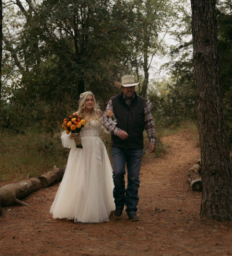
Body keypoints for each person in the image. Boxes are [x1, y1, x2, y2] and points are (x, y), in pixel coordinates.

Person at [50, 91, 115, 223]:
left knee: (95, 176)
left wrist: (111, 117)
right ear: (83, 102)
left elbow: (108, 129)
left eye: (92, 100)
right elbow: (67, 134)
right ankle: (76, 209)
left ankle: (95, 209)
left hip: (96, 147)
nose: (90, 102)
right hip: (81, 148)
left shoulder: (98, 113)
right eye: (87, 100)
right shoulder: (76, 116)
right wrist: (71, 136)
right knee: (80, 176)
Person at [102, 75, 156, 222]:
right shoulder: (113, 101)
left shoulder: (142, 103)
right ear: (122, 88)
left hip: (136, 146)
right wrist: (117, 131)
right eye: (127, 87)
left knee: (133, 178)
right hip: (118, 146)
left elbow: (149, 123)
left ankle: (132, 209)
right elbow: (105, 120)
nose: (129, 89)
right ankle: (119, 204)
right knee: (118, 173)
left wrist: (152, 140)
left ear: (134, 88)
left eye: (132, 87)